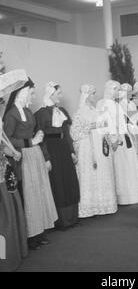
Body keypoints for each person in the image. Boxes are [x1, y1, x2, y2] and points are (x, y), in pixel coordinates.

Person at [4, 79, 58, 250]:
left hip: (35, 156)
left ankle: (39, 231)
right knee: (28, 196)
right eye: (32, 93)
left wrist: (45, 155)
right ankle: (30, 236)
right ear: (21, 93)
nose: (34, 97)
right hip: (23, 158)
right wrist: (29, 141)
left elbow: (35, 135)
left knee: (38, 194)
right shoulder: (11, 114)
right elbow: (6, 140)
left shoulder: (27, 111)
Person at [34, 82, 80, 230]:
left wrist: (72, 151)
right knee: (58, 183)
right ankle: (61, 221)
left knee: (69, 181)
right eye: (58, 93)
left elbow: (66, 134)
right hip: (52, 151)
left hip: (64, 149)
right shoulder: (41, 114)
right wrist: (46, 158)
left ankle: (72, 218)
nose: (61, 95)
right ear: (51, 94)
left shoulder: (62, 111)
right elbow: (41, 139)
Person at [70, 84, 117, 218]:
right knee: (89, 174)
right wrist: (93, 126)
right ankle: (89, 205)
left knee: (102, 172)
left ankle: (103, 204)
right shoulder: (80, 112)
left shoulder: (95, 110)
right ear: (86, 95)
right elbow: (74, 132)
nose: (95, 96)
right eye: (93, 93)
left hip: (99, 145)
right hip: (87, 147)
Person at [0, 78, 28, 270]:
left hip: (3, 168)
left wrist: (9, 150)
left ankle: (7, 255)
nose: (2, 103)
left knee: (8, 210)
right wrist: (8, 151)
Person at [102, 81, 138, 206]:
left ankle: (131, 195)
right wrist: (114, 139)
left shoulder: (116, 104)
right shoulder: (105, 104)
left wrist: (132, 128)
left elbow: (124, 120)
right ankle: (123, 197)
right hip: (117, 139)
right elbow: (107, 123)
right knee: (121, 167)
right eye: (115, 89)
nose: (117, 92)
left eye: (118, 89)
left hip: (125, 137)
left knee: (129, 165)